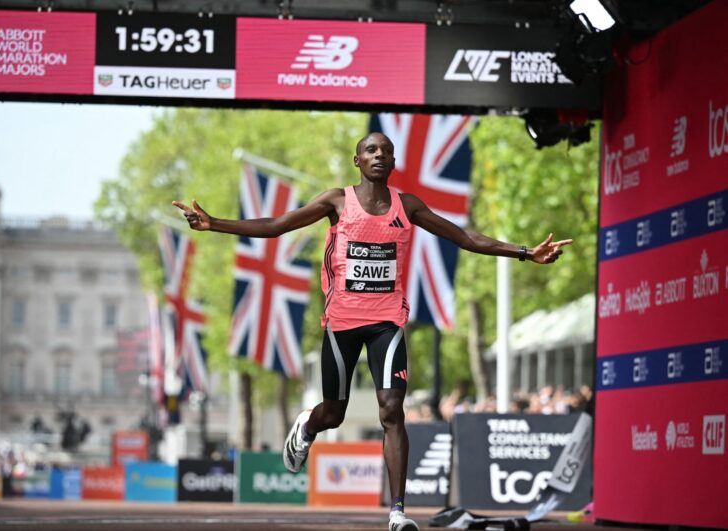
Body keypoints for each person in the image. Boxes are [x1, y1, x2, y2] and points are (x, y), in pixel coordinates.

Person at [173, 132, 571, 531]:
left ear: (393, 162)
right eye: (371, 150)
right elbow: (278, 225)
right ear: (357, 161)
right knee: (334, 414)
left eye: (386, 151)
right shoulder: (336, 202)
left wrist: (524, 252)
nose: (379, 155)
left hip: (387, 323)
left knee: (392, 411)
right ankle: (308, 425)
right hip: (341, 323)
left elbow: (464, 237)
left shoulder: (407, 206)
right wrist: (215, 224)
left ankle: (398, 512)